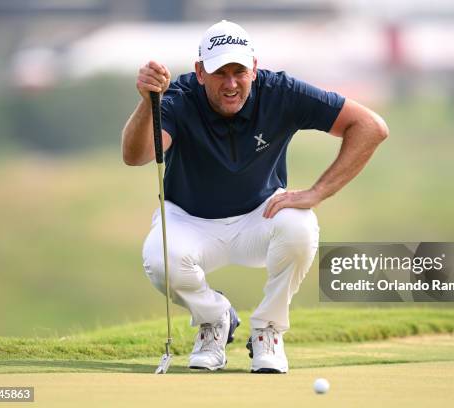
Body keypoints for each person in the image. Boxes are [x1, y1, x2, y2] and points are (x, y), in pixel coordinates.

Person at [121, 20, 388, 373]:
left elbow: (371, 127)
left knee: (300, 226)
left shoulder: (281, 92)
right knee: (159, 259)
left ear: (255, 68)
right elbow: (135, 155)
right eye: (220, 73)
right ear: (200, 72)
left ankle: (268, 330)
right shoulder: (180, 98)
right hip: (189, 219)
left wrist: (317, 192)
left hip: (259, 216)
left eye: (239, 72)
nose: (231, 83)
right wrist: (148, 104)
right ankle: (215, 320)